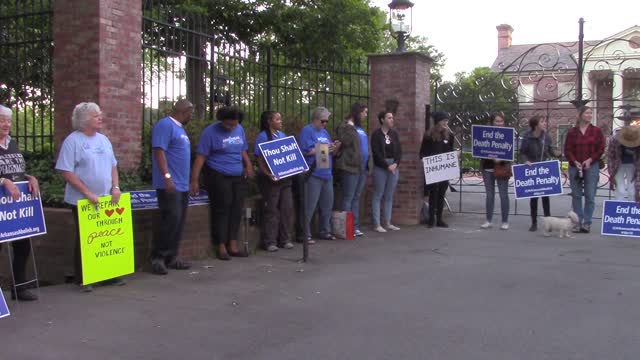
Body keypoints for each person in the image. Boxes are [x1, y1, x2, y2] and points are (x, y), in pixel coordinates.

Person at [55, 102, 126, 292]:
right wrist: (87, 193)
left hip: (106, 198)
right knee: (86, 237)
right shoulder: (73, 141)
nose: (100, 118)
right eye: (96, 116)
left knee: (106, 237)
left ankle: (108, 274)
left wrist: (115, 187)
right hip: (82, 199)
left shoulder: (103, 140)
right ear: (84, 119)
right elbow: (66, 171)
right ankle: (85, 278)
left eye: (99, 115)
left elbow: (113, 165)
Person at [190, 106, 254, 260]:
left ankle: (233, 243)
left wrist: (248, 165)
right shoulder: (210, 132)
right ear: (221, 120)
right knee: (222, 208)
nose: (231, 127)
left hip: (237, 174)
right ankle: (221, 245)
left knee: (236, 208)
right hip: (218, 173)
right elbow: (201, 157)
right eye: (228, 124)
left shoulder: (239, 129)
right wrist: (194, 180)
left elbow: (242, 149)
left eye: (234, 124)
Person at [0, 105, 39, 301]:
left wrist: (30, 177)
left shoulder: (12, 143)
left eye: (8, 120)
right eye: (1, 120)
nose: (6, 124)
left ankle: (20, 288)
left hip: (16, 205)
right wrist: (3, 181)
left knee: (23, 245)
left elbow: (17, 171)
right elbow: (5, 177)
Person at [150, 100, 194, 275]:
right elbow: (159, 151)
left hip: (182, 185)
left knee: (178, 221)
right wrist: (167, 178)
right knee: (169, 220)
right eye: (191, 113)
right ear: (186, 111)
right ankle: (158, 258)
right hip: (169, 184)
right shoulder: (165, 125)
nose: (192, 117)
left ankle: (172, 257)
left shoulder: (180, 130)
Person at [298, 106, 341, 243]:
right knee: (310, 205)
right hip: (314, 172)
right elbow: (306, 150)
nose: (325, 124)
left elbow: (329, 152)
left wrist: (334, 148)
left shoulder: (325, 132)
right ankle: (304, 233)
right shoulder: (307, 131)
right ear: (315, 119)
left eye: (326, 121)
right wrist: (324, 148)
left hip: (326, 172)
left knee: (327, 204)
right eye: (323, 121)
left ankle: (325, 230)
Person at [254, 110, 294, 252]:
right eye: (277, 119)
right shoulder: (262, 137)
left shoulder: (282, 136)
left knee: (286, 208)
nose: (280, 121)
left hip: (285, 178)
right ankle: (270, 241)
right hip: (271, 179)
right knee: (272, 210)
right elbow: (260, 159)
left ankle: (284, 239)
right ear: (269, 121)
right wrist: (267, 173)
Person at [564, 106, 605, 233]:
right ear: (581, 115)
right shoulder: (572, 132)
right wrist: (574, 161)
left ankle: (587, 222)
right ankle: (577, 222)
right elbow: (567, 149)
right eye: (587, 112)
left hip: (591, 166)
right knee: (576, 195)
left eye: (590, 113)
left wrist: (590, 159)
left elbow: (601, 148)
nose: (589, 115)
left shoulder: (596, 131)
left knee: (590, 195)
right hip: (575, 166)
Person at [519, 115, 561, 231]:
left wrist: (557, 153)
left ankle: (549, 223)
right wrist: (525, 161)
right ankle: (534, 222)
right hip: (532, 169)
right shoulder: (527, 137)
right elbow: (522, 152)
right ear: (535, 124)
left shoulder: (546, 137)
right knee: (534, 197)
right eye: (542, 121)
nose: (545, 123)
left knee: (545, 197)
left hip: (544, 169)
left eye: (544, 121)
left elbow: (550, 151)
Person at [335, 103, 369, 237]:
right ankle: (346, 227)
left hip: (361, 167)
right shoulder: (346, 127)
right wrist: (349, 127)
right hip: (350, 166)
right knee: (348, 197)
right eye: (365, 112)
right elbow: (344, 142)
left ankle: (354, 226)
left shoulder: (360, 128)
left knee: (356, 197)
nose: (366, 115)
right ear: (358, 112)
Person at [420, 111, 454, 228]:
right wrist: (424, 159)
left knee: (441, 194)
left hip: (444, 169)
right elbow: (423, 152)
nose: (446, 122)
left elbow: (450, 151)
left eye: (447, 120)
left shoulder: (449, 135)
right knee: (433, 193)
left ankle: (439, 219)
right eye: (444, 120)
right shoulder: (429, 136)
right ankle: (431, 219)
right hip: (433, 170)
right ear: (438, 122)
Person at [371, 111, 402, 233]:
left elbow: (399, 151)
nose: (392, 120)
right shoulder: (376, 135)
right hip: (381, 167)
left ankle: (388, 222)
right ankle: (377, 223)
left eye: (392, 118)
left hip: (393, 166)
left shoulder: (394, 134)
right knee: (378, 194)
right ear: (382, 119)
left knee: (389, 195)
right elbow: (376, 153)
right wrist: (386, 165)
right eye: (389, 118)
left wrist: (395, 164)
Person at [480, 113, 511, 230]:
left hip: (502, 168)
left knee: (503, 195)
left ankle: (505, 221)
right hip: (488, 168)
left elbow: (510, 151)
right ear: (492, 122)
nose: (498, 123)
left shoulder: (508, 134)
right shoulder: (485, 134)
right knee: (489, 195)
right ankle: (488, 220)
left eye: (501, 121)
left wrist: (501, 158)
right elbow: (480, 148)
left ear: (504, 122)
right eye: (496, 121)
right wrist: (489, 156)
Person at [607, 125, 640, 201]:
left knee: (632, 189)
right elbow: (610, 156)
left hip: (634, 164)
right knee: (620, 189)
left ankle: (632, 207)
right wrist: (611, 173)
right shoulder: (614, 140)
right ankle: (619, 206)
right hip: (618, 164)